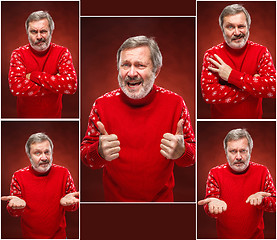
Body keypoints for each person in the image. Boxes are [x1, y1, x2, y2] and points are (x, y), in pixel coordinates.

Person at [81, 35, 195, 202]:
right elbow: (86, 158)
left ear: (156, 71)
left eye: (140, 65)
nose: (131, 73)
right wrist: (98, 152)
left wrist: (182, 152)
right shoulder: (101, 104)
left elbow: (190, 158)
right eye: (125, 65)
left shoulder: (176, 103)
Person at [200, 4, 276, 119]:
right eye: (230, 27)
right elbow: (209, 94)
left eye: (241, 26)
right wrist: (253, 88)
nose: (236, 33)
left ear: (248, 27)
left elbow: (273, 88)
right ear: (222, 29)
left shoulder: (261, 52)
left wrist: (231, 75)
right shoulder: (212, 55)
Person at [198, 128, 276, 238]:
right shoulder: (215, 173)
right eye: (233, 151)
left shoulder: (262, 171)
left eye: (243, 151)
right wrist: (212, 206)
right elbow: (210, 207)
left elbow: (275, 204)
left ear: (250, 151)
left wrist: (263, 201)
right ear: (226, 152)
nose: (238, 157)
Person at [1, 133, 79, 239]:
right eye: (37, 153)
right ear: (29, 156)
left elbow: (73, 206)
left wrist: (70, 204)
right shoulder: (18, 176)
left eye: (47, 152)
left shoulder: (64, 172)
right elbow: (14, 213)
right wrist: (16, 207)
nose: (44, 157)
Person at [8, 11, 77, 118]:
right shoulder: (18, 54)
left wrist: (33, 76)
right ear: (27, 33)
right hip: (25, 117)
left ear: (51, 31)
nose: (39, 36)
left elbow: (71, 85)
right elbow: (15, 87)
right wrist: (55, 84)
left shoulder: (62, 52)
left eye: (43, 31)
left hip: (54, 117)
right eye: (34, 32)